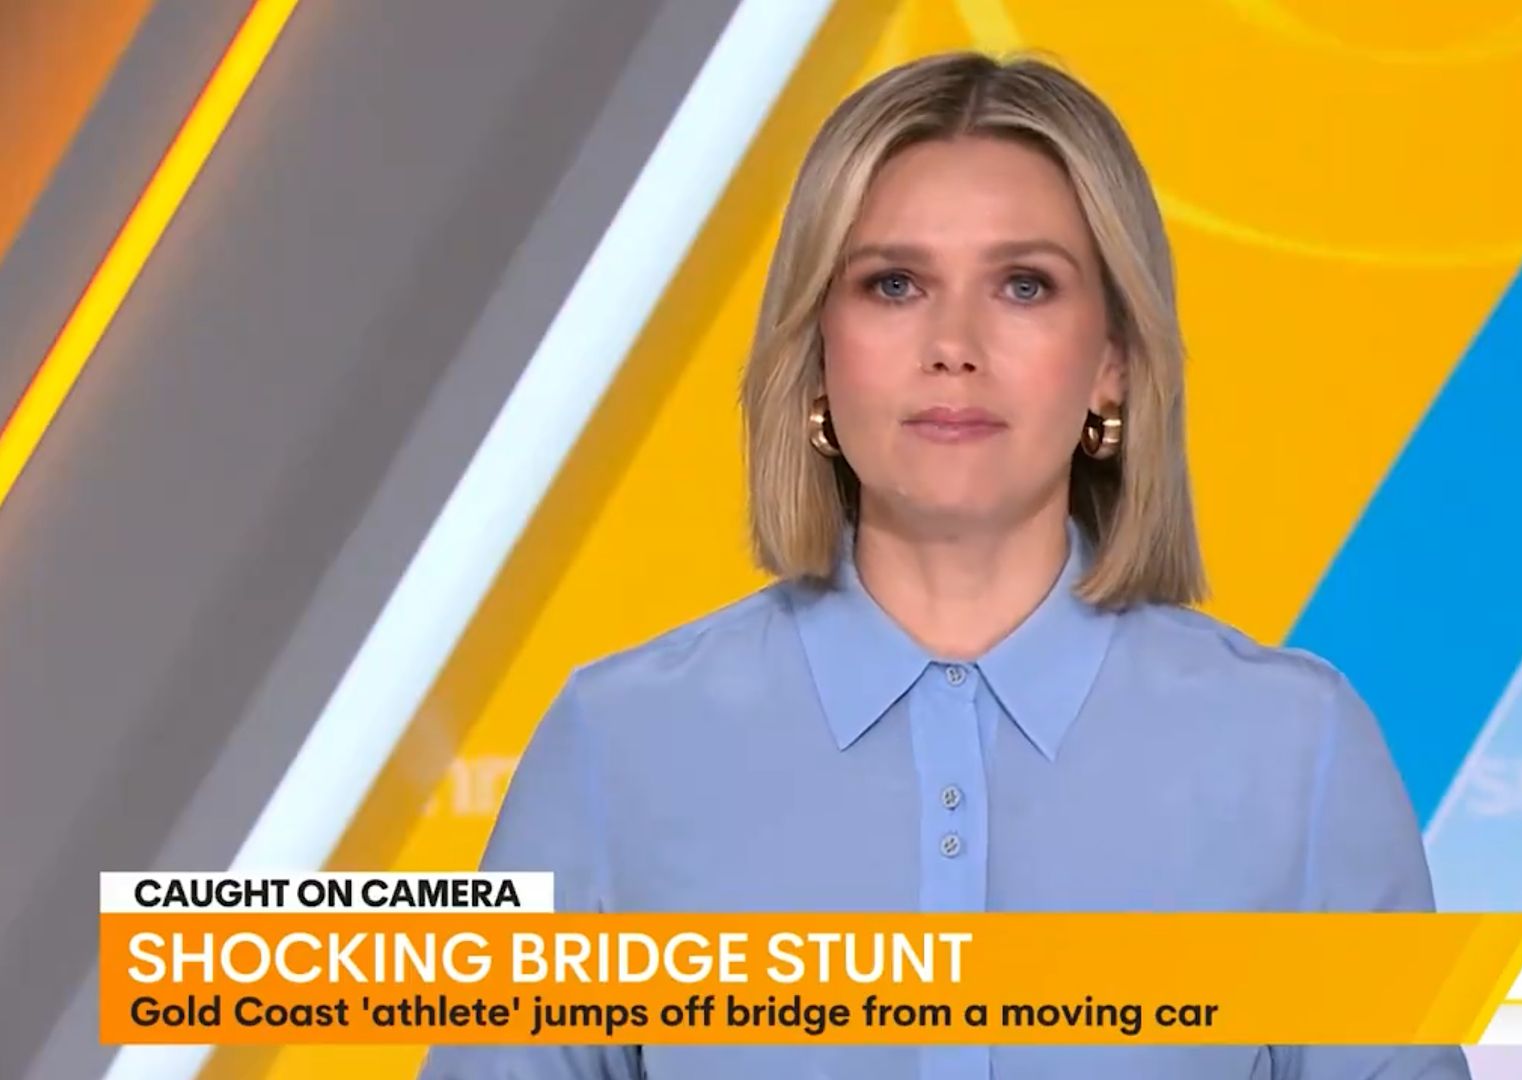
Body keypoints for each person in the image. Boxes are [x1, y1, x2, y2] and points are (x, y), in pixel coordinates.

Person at [421, 49, 1465, 1080]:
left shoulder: (1296, 748)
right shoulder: (616, 745)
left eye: (1023, 285)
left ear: (1112, 361)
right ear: (816, 352)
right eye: (894, 284)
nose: (954, 344)